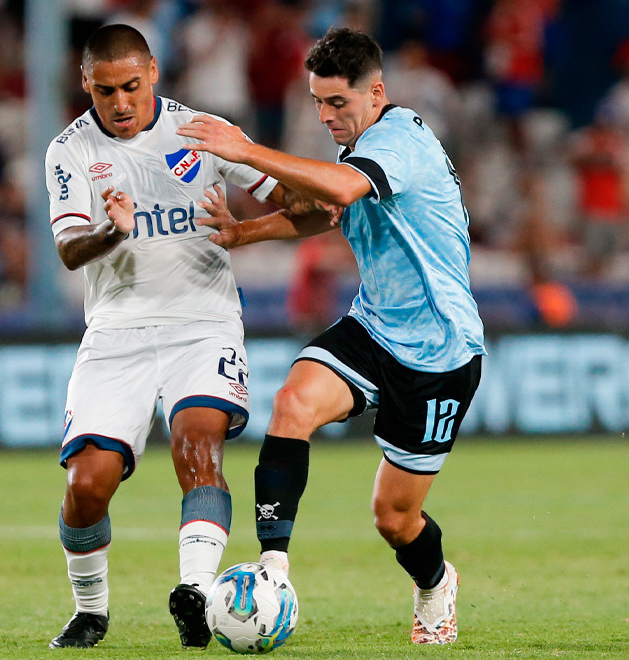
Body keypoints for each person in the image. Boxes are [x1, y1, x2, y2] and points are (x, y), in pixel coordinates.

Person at [176, 27, 485, 645]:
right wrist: (245, 234)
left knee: (395, 519)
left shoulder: (398, 140)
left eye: (337, 103)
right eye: (318, 102)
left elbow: (342, 189)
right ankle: (273, 571)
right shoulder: (363, 145)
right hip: (374, 326)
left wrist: (244, 150)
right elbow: (328, 210)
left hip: (441, 350)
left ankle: (435, 583)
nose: (325, 116)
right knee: (292, 403)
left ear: (376, 93)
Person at [43, 24, 331, 650]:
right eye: (104, 91)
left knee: (197, 445)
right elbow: (69, 250)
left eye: (131, 86)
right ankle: (91, 610)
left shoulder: (203, 134)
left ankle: (196, 595)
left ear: (153, 71)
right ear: (84, 84)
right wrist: (113, 234)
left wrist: (250, 229)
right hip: (117, 329)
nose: (120, 103)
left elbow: (311, 210)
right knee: (87, 485)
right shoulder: (69, 150)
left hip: (202, 321)